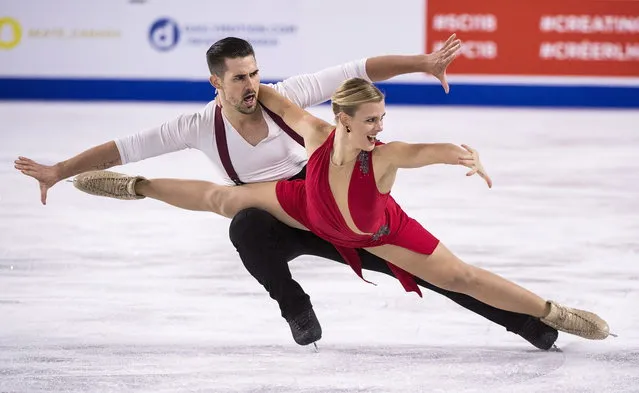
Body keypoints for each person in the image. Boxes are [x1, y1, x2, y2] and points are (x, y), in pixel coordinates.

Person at [15, 36, 560, 349]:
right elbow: (123, 147)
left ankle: (527, 323)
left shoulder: (287, 95)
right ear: (216, 84)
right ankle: (296, 308)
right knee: (243, 224)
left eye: (254, 74)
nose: (252, 86)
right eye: (238, 79)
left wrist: (421, 63)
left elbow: (360, 69)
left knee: (423, 270)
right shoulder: (195, 126)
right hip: (277, 213)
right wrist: (59, 169)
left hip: (330, 204)